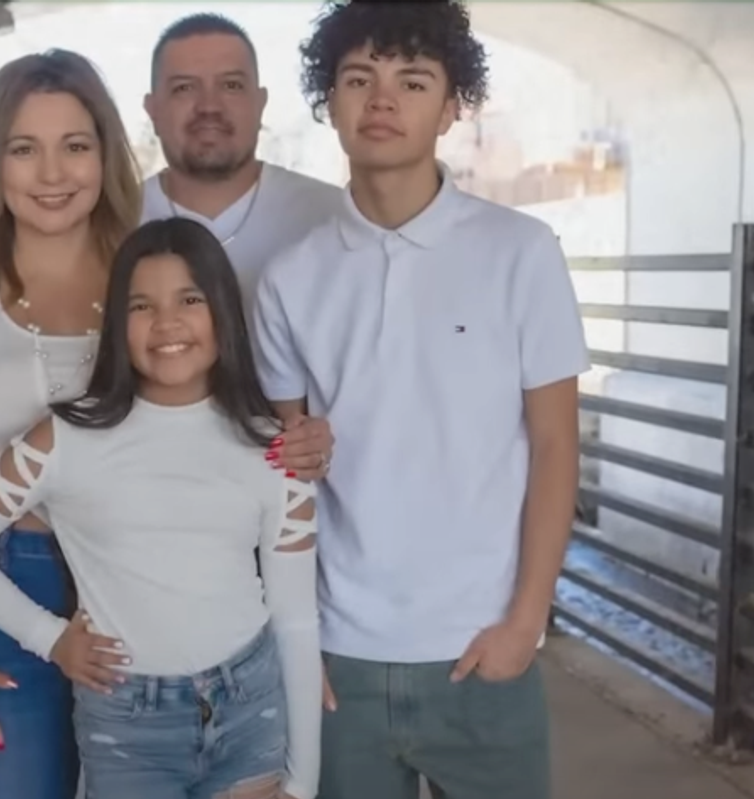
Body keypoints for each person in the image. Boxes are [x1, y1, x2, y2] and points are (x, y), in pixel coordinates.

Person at [0, 47, 335, 799]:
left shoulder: (153, 277)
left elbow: (228, 416)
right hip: (8, 577)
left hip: (159, 574)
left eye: (76, 145)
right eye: (23, 149)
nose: (53, 173)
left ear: (108, 154)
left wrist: (301, 437)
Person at [251, 2, 589, 798]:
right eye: (358, 78)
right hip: (342, 655)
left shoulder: (521, 253)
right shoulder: (289, 277)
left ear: (451, 106)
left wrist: (525, 622)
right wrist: (295, 639)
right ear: (329, 100)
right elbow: (282, 466)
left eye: (412, 80)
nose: (381, 100)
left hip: (483, 648)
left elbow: (555, 446)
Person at [0, 216, 323, 799]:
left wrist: (303, 784)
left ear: (223, 313)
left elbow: (295, 617)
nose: (167, 323)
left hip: (248, 709)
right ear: (116, 323)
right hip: (128, 728)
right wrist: (49, 638)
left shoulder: (273, 448)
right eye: (140, 306)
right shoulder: (64, 439)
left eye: (190, 298)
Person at [140, 13, 344, 305]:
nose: (209, 106)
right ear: (152, 110)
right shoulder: (114, 224)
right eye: (184, 88)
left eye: (231, 85)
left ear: (260, 104)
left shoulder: (331, 217)